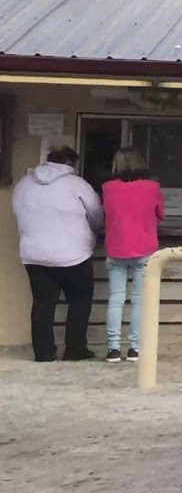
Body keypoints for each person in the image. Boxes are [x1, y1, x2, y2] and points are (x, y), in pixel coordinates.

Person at [12, 146, 104, 362]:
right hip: (74, 254)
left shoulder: (24, 184)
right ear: (72, 163)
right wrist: (94, 233)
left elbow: (18, 212)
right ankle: (75, 349)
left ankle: (43, 353)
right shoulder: (77, 184)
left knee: (43, 302)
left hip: (34, 253)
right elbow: (96, 215)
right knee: (80, 299)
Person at [101, 148, 165, 364]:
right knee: (139, 301)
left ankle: (113, 349)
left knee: (116, 299)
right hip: (144, 249)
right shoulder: (152, 188)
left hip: (116, 249)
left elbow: (105, 214)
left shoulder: (107, 188)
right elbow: (161, 214)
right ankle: (135, 349)